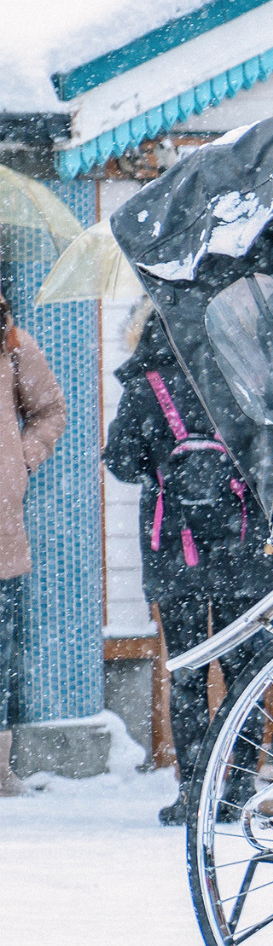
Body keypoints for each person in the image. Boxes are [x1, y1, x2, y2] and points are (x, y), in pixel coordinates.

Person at [104, 314, 273, 825]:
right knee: (244, 669)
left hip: (174, 555)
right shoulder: (239, 374)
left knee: (187, 674)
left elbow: (122, 462)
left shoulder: (145, 386)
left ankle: (194, 792)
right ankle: (240, 785)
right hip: (240, 551)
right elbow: (265, 449)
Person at [0, 291, 66, 796]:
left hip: (0, 526)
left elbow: (50, 409)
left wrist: (22, 459)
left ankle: (0, 769)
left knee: (1, 652)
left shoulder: (13, 342)